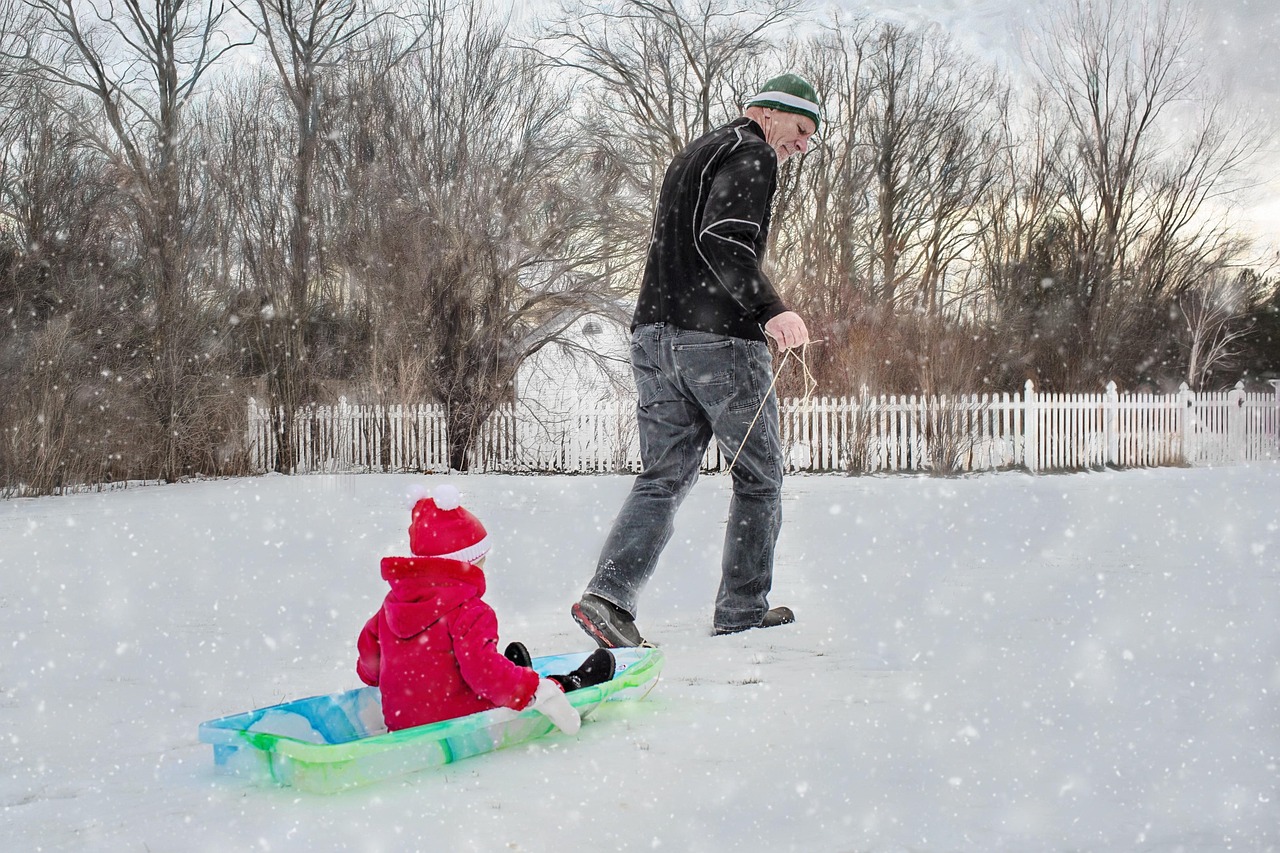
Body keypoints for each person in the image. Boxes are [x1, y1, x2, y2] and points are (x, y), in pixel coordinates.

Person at [571, 73, 820, 646]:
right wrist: (770, 308)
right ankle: (742, 611)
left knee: (662, 476)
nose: (801, 145)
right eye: (800, 129)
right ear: (766, 113)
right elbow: (724, 238)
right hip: (718, 342)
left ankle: (607, 599)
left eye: (809, 138)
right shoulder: (753, 151)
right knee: (759, 479)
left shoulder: (695, 152)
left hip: (654, 336)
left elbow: (690, 240)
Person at [358, 484, 615, 733]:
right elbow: (483, 675)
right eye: (481, 562)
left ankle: (511, 671)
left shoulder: (391, 606)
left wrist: (405, 674)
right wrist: (527, 688)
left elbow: (370, 664)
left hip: (402, 721)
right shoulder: (470, 611)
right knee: (532, 687)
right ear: (466, 565)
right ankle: (572, 681)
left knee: (483, 666)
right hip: (461, 718)